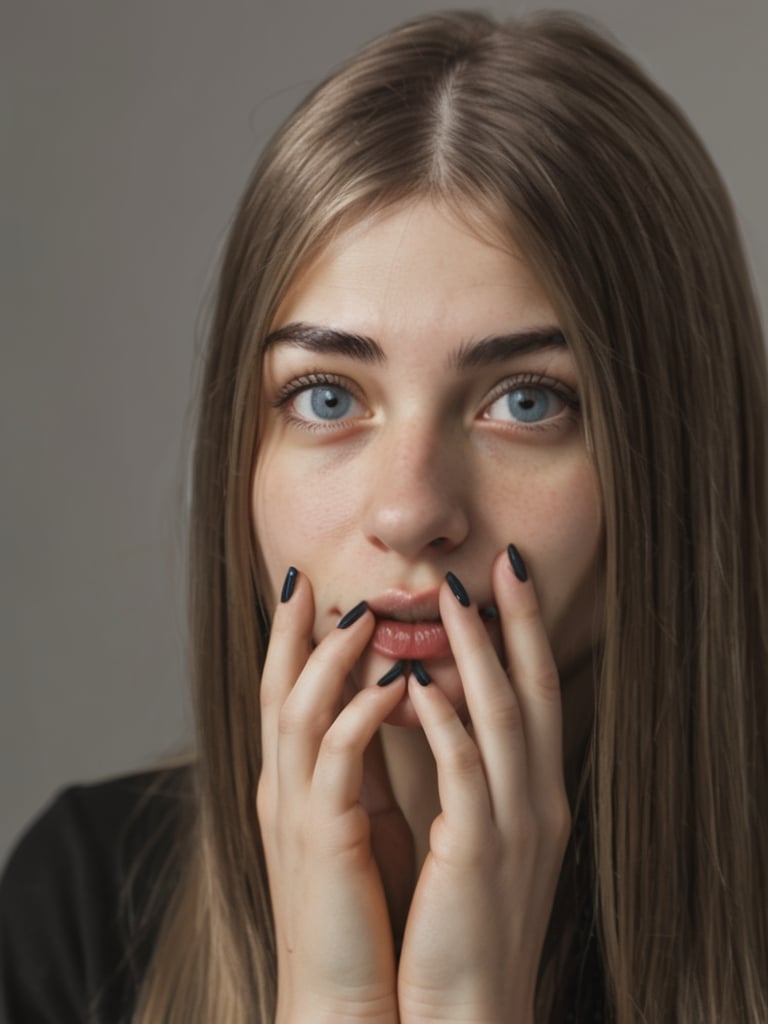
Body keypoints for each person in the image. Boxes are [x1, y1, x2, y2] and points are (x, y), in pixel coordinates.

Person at [1, 9, 766, 1023]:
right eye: (327, 396)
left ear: (677, 448)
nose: (411, 512)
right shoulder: (80, 903)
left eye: (526, 400)